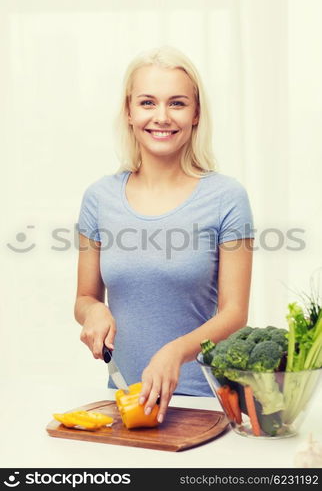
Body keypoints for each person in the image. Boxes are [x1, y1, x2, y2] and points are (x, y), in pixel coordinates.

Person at [74, 45, 254, 424]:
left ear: (195, 114)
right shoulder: (99, 198)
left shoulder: (227, 197)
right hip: (126, 400)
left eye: (176, 103)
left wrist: (175, 352)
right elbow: (85, 298)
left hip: (207, 400)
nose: (161, 117)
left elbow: (235, 312)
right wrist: (94, 311)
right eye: (147, 102)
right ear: (129, 112)